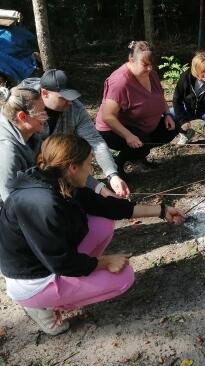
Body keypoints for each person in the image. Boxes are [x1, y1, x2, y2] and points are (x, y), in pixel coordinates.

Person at [0, 134, 185, 335]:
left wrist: (161, 210)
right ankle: (45, 307)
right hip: (34, 280)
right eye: (88, 164)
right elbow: (61, 262)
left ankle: (69, 289)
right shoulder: (41, 204)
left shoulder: (59, 178)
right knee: (123, 277)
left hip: (47, 260)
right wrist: (105, 262)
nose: (90, 171)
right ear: (72, 167)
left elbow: (108, 207)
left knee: (102, 223)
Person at [38, 69, 129, 198]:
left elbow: (96, 142)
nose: (70, 102)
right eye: (63, 98)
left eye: (71, 97)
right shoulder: (27, 111)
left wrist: (112, 175)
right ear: (45, 93)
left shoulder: (75, 108)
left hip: (60, 166)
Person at [95, 41, 178, 177]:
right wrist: (128, 136)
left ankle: (139, 155)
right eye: (145, 65)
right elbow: (108, 117)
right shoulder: (120, 82)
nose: (150, 68)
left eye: (152, 64)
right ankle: (118, 164)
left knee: (172, 127)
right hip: (113, 130)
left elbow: (159, 96)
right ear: (131, 60)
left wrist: (167, 114)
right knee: (141, 141)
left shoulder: (152, 75)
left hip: (141, 125)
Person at [0, 83, 47, 205]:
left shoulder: (31, 131)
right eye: (41, 112)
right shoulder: (8, 153)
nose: (45, 117)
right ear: (22, 116)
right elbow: (9, 201)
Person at [172, 51, 205, 156]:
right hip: (189, 109)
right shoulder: (185, 78)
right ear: (196, 70)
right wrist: (183, 120)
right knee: (170, 115)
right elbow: (176, 100)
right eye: (203, 72)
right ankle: (186, 133)